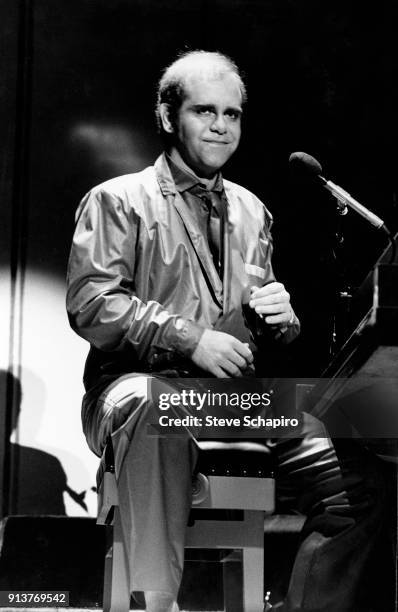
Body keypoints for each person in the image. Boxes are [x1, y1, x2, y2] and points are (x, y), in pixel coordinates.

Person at [67, 51, 386, 612]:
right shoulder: (117, 199)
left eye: (232, 114)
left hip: (232, 401)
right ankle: (154, 604)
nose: (220, 125)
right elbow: (93, 304)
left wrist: (283, 322)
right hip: (136, 387)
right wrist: (191, 339)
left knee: (359, 460)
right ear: (168, 117)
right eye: (204, 111)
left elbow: (260, 331)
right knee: (152, 405)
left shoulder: (253, 211)